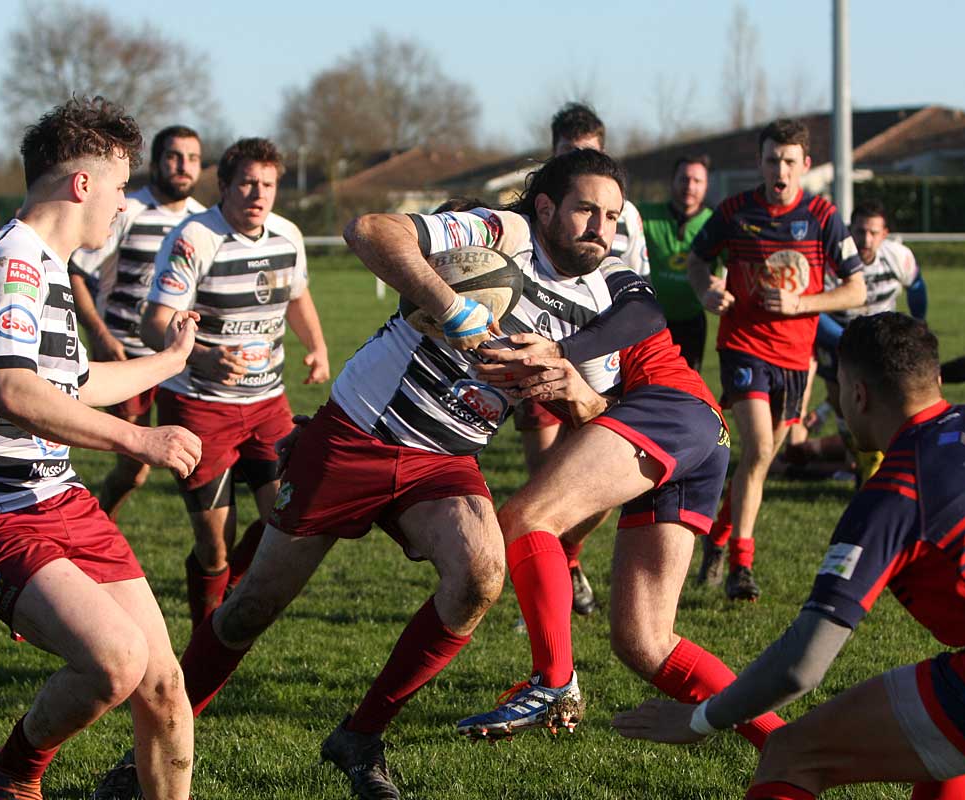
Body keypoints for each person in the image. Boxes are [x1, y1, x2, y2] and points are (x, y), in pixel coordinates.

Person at [128, 149, 664, 800]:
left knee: (478, 576)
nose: (599, 228)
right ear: (547, 207)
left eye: (610, 216)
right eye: (585, 209)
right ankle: (145, 758)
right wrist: (454, 306)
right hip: (357, 433)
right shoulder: (503, 232)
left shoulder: (597, 303)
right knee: (250, 609)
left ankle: (360, 736)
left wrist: (575, 397)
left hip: (445, 460)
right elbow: (370, 229)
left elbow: (588, 411)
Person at [613, 311, 965, 800]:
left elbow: (801, 666)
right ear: (933, 378)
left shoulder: (896, 488)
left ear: (857, 393)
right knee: (943, 726)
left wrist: (702, 718)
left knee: (790, 753)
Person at [0, 96, 202, 800]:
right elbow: (17, 391)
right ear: (81, 184)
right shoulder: (12, 265)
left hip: (56, 495)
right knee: (115, 660)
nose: (123, 203)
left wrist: (168, 363)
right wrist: (142, 438)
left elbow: (75, 383)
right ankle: (11, 773)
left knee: (166, 687)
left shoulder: (44, 267)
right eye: (118, 185)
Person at [454, 325, 787, 751]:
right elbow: (596, 413)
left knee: (526, 517)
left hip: (669, 408)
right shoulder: (538, 296)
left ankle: (553, 684)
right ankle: (781, 740)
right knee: (645, 644)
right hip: (695, 432)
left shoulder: (603, 287)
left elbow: (634, 316)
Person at [139, 136, 329, 630]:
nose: (257, 193)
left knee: (284, 519)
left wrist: (317, 345)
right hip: (199, 406)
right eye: (246, 182)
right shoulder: (194, 238)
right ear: (223, 185)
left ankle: (223, 612)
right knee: (214, 544)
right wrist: (200, 357)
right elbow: (154, 320)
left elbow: (297, 297)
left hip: (267, 405)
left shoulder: (288, 235)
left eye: (267, 184)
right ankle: (207, 632)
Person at [689, 118, 865, 601]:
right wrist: (707, 289)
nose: (780, 170)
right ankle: (741, 567)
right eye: (772, 160)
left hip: (795, 356)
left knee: (763, 459)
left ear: (806, 165)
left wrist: (802, 305)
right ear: (760, 163)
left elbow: (856, 287)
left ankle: (718, 539)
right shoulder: (735, 211)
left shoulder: (824, 217)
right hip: (743, 347)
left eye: (789, 161)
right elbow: (697, 258)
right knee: (761, 448)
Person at [513, 101, 652, 617]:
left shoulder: (626, 217)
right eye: (570, 154)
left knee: (596, 468)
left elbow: (638, 293)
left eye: (590, 152)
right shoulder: (528, 214)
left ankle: (567, 557)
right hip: (533, 350)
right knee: (547, 477)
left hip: (599, 351)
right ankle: (548, 569)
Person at [806, 199, 965, 485]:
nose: (866, 239)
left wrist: (920, 320)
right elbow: (816, 311)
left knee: (890, 400)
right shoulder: (831, 261)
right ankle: (858, 458)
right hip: (838, 339)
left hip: (884, 340)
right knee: (844, 404)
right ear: (850, 230)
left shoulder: (898, 256)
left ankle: (880, 465)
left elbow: (916, 285)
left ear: (885, 234)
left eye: (873, 233)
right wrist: (849, 342)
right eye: (860, 231)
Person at [69, 125, 206, 521]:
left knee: (200, 457)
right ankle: (98, 520)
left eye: (193, 158)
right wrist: (99, 332)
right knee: (136, 469)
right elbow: (78, 270)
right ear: (159, 162)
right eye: (174, 157)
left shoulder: (203, 221)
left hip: (183, 360)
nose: (183, 167)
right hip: (127, 356)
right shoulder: (128, 210)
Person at [637, 156, 713, 371]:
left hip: (692, 322)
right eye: (684, 179)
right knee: (645, 385)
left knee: (687, 391)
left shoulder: (715, 223)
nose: (690, 186)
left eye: (697, 181)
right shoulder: (645, 216)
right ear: (672, 181)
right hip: (651, 321)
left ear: (707, 185)